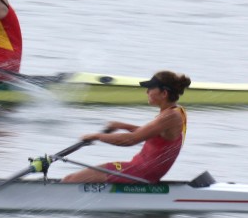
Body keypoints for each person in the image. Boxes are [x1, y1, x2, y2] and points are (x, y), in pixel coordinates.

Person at [62, 71, 192, 184]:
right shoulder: (176, 111)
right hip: (142, 170)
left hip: (140, 172)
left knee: (69, 180)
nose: (147, 92)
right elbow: (148, 132)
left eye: (151, 88)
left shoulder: (170, 116)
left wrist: (97, 136)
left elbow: (131, 140)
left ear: (164, 93)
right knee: (76, 179)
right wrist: (121, 125)